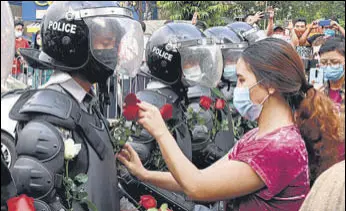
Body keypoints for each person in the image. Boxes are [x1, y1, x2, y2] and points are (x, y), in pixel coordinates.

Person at [118, 38, 341, 211]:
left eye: (243, 80)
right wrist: (145, 175)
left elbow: (197, 186)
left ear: (271, 85)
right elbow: (204, 176)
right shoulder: (256, 136)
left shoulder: (282, 147)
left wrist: (160, 131)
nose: (238, 88)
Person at [9, 1, 144, 211]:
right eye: (105, 43)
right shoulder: (46, 118)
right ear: (73, 45)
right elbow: (38, 204)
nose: (113, 52)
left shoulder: (86, 103)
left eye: (114, 44)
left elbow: (106, 187)